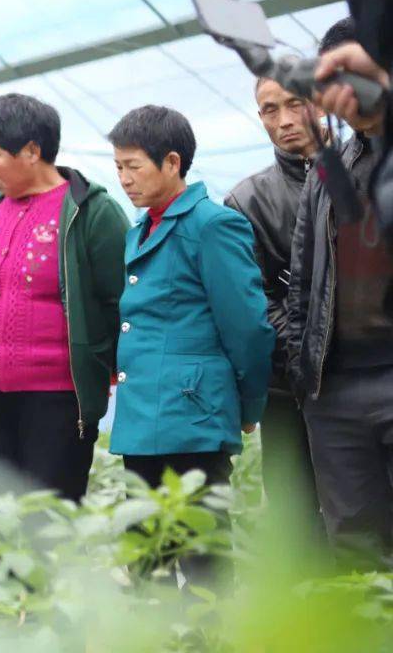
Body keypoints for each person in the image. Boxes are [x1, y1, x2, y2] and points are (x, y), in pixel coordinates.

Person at [0, 94, 129, 517]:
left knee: (45, 531)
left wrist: (102, 365)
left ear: (31, 151)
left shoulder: (90, 212)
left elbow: (122, 301)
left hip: (55, 403)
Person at [108, 105, 274, 583]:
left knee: (203, 556)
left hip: (193, 412)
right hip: (145, 414)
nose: (124, 179)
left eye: (134, 166)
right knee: (146, 554)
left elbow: (246, 326)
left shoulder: (212, 225)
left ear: (173, 162)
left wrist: (249, 405)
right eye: (118, 166)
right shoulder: (142, 227)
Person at [290, 19, 393, 559]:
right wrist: (307, 377)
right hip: (338, 390)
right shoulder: (329, 171)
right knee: (356, 548)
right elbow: (304, 279)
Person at [223, 78, 325, 544]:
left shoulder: (367, 178)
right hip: (288, 388)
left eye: (295, 104)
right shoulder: (248, 201)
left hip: (367, 378)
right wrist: (311, 353)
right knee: (295, 517)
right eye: (269, 110)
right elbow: (254, 297)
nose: (284, 121)